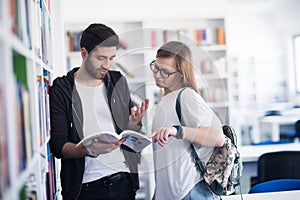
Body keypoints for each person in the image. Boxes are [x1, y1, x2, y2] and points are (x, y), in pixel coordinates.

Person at [49, 23, 149, 200]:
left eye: (111, 58)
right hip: (85, 188)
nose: (107, 65)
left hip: (124, 180)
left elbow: (126, 131)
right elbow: (58, 145)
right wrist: (87, 150)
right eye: (101, 58)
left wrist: (134, 123)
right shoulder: (62, 89)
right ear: (84, 53)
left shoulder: (118, 81)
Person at [148, 41, 225, 200]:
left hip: (189, 192)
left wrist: (178, 131)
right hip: (171, 194)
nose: (157, 74)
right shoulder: (165, 101)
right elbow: (166, 156)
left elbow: (218, 137)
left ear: (181, 73)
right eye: (155, 67)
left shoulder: (187, 97)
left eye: (165, 71)